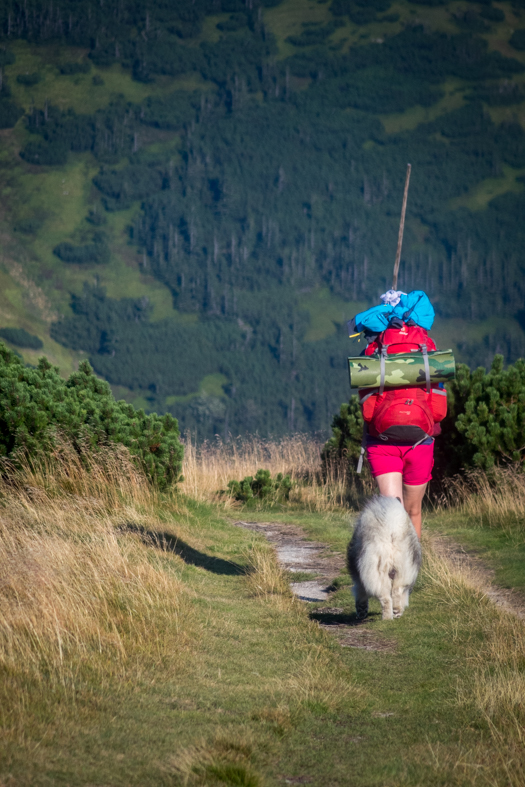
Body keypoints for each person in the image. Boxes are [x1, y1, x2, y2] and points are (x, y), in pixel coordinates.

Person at [351, 289, 447, 539]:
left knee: (392, 512)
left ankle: (391, 570)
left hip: (383, 441)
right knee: (413, 511)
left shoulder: (375, 347)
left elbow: (365, 396)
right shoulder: (427, 346)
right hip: (421, 440)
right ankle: (410, 573)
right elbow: (438, 396)